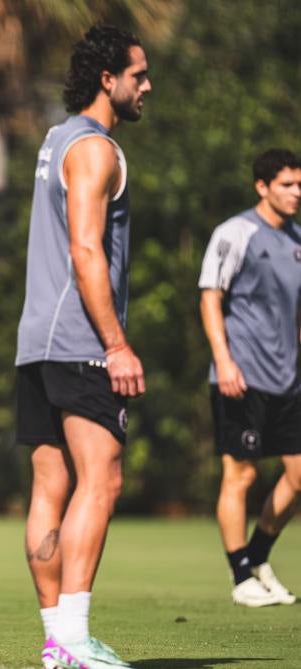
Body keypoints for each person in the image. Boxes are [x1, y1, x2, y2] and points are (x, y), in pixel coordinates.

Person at [14, 24, 151, 669]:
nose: (146, 85)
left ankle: (54, 640)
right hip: (80, 341)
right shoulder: (96, 149)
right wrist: (117, 344)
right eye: (139, 75)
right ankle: (72, 639)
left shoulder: (54, 139)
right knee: (103, 478)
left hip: (35, 342)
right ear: (108, 79)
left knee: (51, 484)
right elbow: (87, 250)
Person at [198, 148, 301, 608]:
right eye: (287, 184)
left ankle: (258, 556)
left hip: (288, 378)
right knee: (238, 475)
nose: (296, 193)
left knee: (299, 477)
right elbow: (210, 298)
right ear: (262, 187)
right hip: (241, 376)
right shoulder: (234, 232)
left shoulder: (297, 240)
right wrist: (224, 361)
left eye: (299, 185)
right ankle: (241, 576)